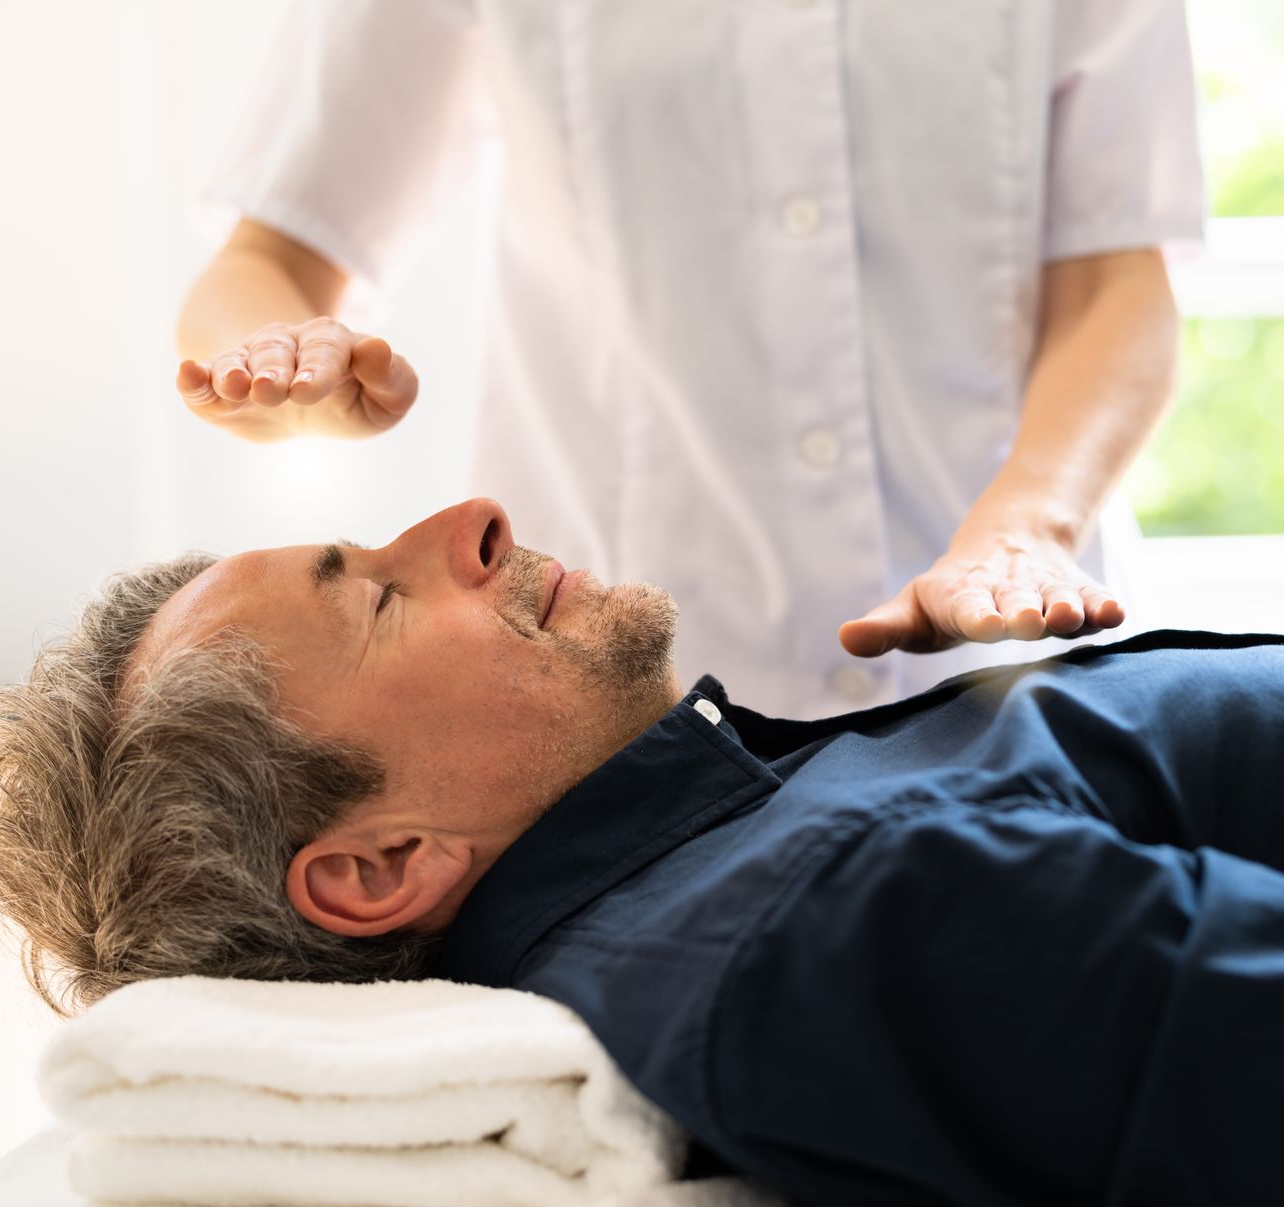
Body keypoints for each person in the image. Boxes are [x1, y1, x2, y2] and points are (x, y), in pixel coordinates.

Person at [0, 498, 1284, 1207]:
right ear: (376, 871)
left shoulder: (760, 830)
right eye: (375, 592)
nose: (471, 523)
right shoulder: (822, 931)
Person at [173, 0, 1203, 720]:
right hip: (615, 711)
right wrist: (282, 375)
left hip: (1007, 667)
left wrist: (1025, 525)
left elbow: (1116, 276)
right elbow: (267, 265)